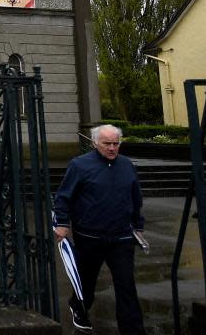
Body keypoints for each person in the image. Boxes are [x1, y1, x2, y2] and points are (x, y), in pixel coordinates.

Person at [54, 125, 146, 335]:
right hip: (90, 236)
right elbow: (63, 197)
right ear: (95, 143)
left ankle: (133, 330)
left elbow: (135, 197)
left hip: (122, 237)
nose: (112, 148)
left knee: (126, 286)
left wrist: (138, 225)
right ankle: (79, 305)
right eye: (107, 144)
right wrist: (62, 224)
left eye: (116, 143)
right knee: (87, 282)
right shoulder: (79, 165)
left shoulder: (127, 166)